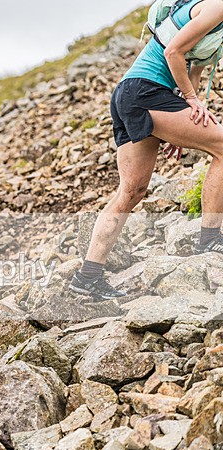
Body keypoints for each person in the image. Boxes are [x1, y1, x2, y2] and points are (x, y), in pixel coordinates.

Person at [70, 0, 223, 299]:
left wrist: (180, 122)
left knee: (132, 191)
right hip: (146, 91)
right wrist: (191, 101)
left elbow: (191, 72)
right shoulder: (217, 7)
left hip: (132, 93)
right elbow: (173, 52)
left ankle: (87, 277)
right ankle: (209, 240)